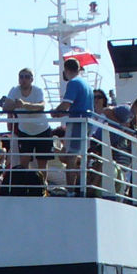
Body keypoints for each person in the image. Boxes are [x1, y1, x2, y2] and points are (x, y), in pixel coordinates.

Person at [3, 68, 51, 193]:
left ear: (31, 79)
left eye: (26, 77)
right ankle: (24, 188)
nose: (23, 79)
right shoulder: (14, 90)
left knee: (42, 163)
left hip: (42, 129)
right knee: (24, 162)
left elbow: (41, 106)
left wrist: (24, 104)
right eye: (21, 76)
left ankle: (42, 189)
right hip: (25, 131)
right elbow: (6, 107)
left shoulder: (37, 91)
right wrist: (16, 105)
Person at [50, 58, 92, 190]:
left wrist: (55, 112)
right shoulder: (86, 84)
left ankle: (71, 189)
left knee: (71, 157)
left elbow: (66, 104)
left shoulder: (73, 83)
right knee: (70, 156)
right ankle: (79, 184)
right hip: (86, 123)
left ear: (66, 70)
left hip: (77, 123)